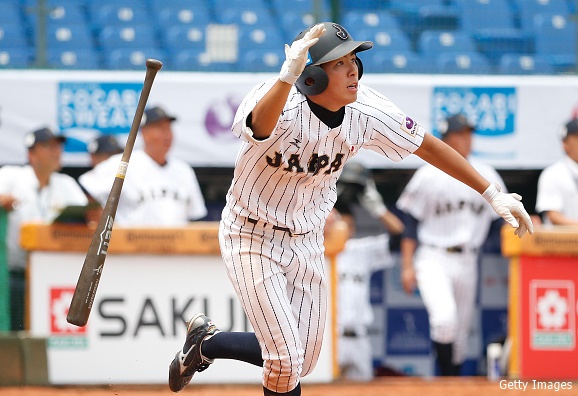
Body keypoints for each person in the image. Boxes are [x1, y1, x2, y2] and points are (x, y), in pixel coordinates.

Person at [167, 23, 533, 396]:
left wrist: (490, 193)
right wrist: (285, 77)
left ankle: (206, 344)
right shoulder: (277, 99)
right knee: (285, 362)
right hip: (250, 234)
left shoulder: (368, 110)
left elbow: (427, 145)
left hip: (307, 239)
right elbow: (260, 127)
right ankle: (208, 345)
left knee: (304, 361)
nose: (353, 69)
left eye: (354, 60)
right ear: (311, 77)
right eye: (338, 63)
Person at [396, 113, 508, 376]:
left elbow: (501, 219)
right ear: (445, 139)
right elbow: (409, 223)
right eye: (460, 134)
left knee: (459, 337)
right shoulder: (427, 174)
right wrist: (406, 266)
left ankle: (451, 385)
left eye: (469, 134)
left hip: (468, 260)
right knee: (444, 321)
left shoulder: (486, 173)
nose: (467, 139)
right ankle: (446, 383)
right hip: (433, 257)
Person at [0, 127, 89, 330]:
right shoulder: (12, 175)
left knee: (50, 332)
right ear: (31, 153)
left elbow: (89, 215)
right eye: (49, 146)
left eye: (59, 146)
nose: (56, 151)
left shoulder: (66, 183)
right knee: (16, 330)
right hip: (15, 274)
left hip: (54, 273)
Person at [78, 105, 207, 227]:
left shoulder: (184, 170)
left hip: (178, 246)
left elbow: (197, 216)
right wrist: (100, 217)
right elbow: (83, 186)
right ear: (144, 133)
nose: (167, 135)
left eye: (168, 128)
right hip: (135, 245)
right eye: (160, 128)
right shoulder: (124, 163)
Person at [333, 161, 404, 381]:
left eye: (349, 226)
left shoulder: (359, 250)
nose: (345, 231)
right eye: (339, 226)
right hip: (330, 338)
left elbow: (398, 234)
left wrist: (379, 210)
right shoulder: (315, 251)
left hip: (359, 338)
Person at [535, 118, 578, 225]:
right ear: (565, 144)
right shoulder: (553, 173)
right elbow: (554, 216)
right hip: (562, 240)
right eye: (577, 138)